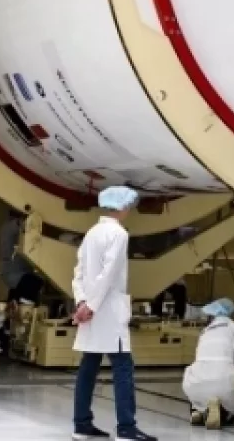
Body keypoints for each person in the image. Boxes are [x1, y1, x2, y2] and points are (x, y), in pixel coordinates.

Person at [71, 186, 158, 441]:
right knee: (122, 367)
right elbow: (108, 274)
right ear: (123, 206)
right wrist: (91, 306)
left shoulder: (92, 233)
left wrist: (82, 302)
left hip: (92, 310)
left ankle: (81, 424)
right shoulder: (119, 234)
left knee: (89, 366)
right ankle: (126, 428)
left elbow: (78, 272)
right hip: (107, 310)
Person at [181, 298, 234, 426]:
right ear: (232, 313)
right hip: (223, 382)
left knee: (198, 394)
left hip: (195, 383)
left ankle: (197, 410)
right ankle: (219, 412)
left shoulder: (205, 331)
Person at [0, 210, 43, 305]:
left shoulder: (6, 227)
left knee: (30, 283)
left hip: (14, 271)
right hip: (15, 272)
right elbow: (22, 225)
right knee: (35, 282)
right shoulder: (11, 226)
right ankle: (24, 305)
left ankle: (16, 303)